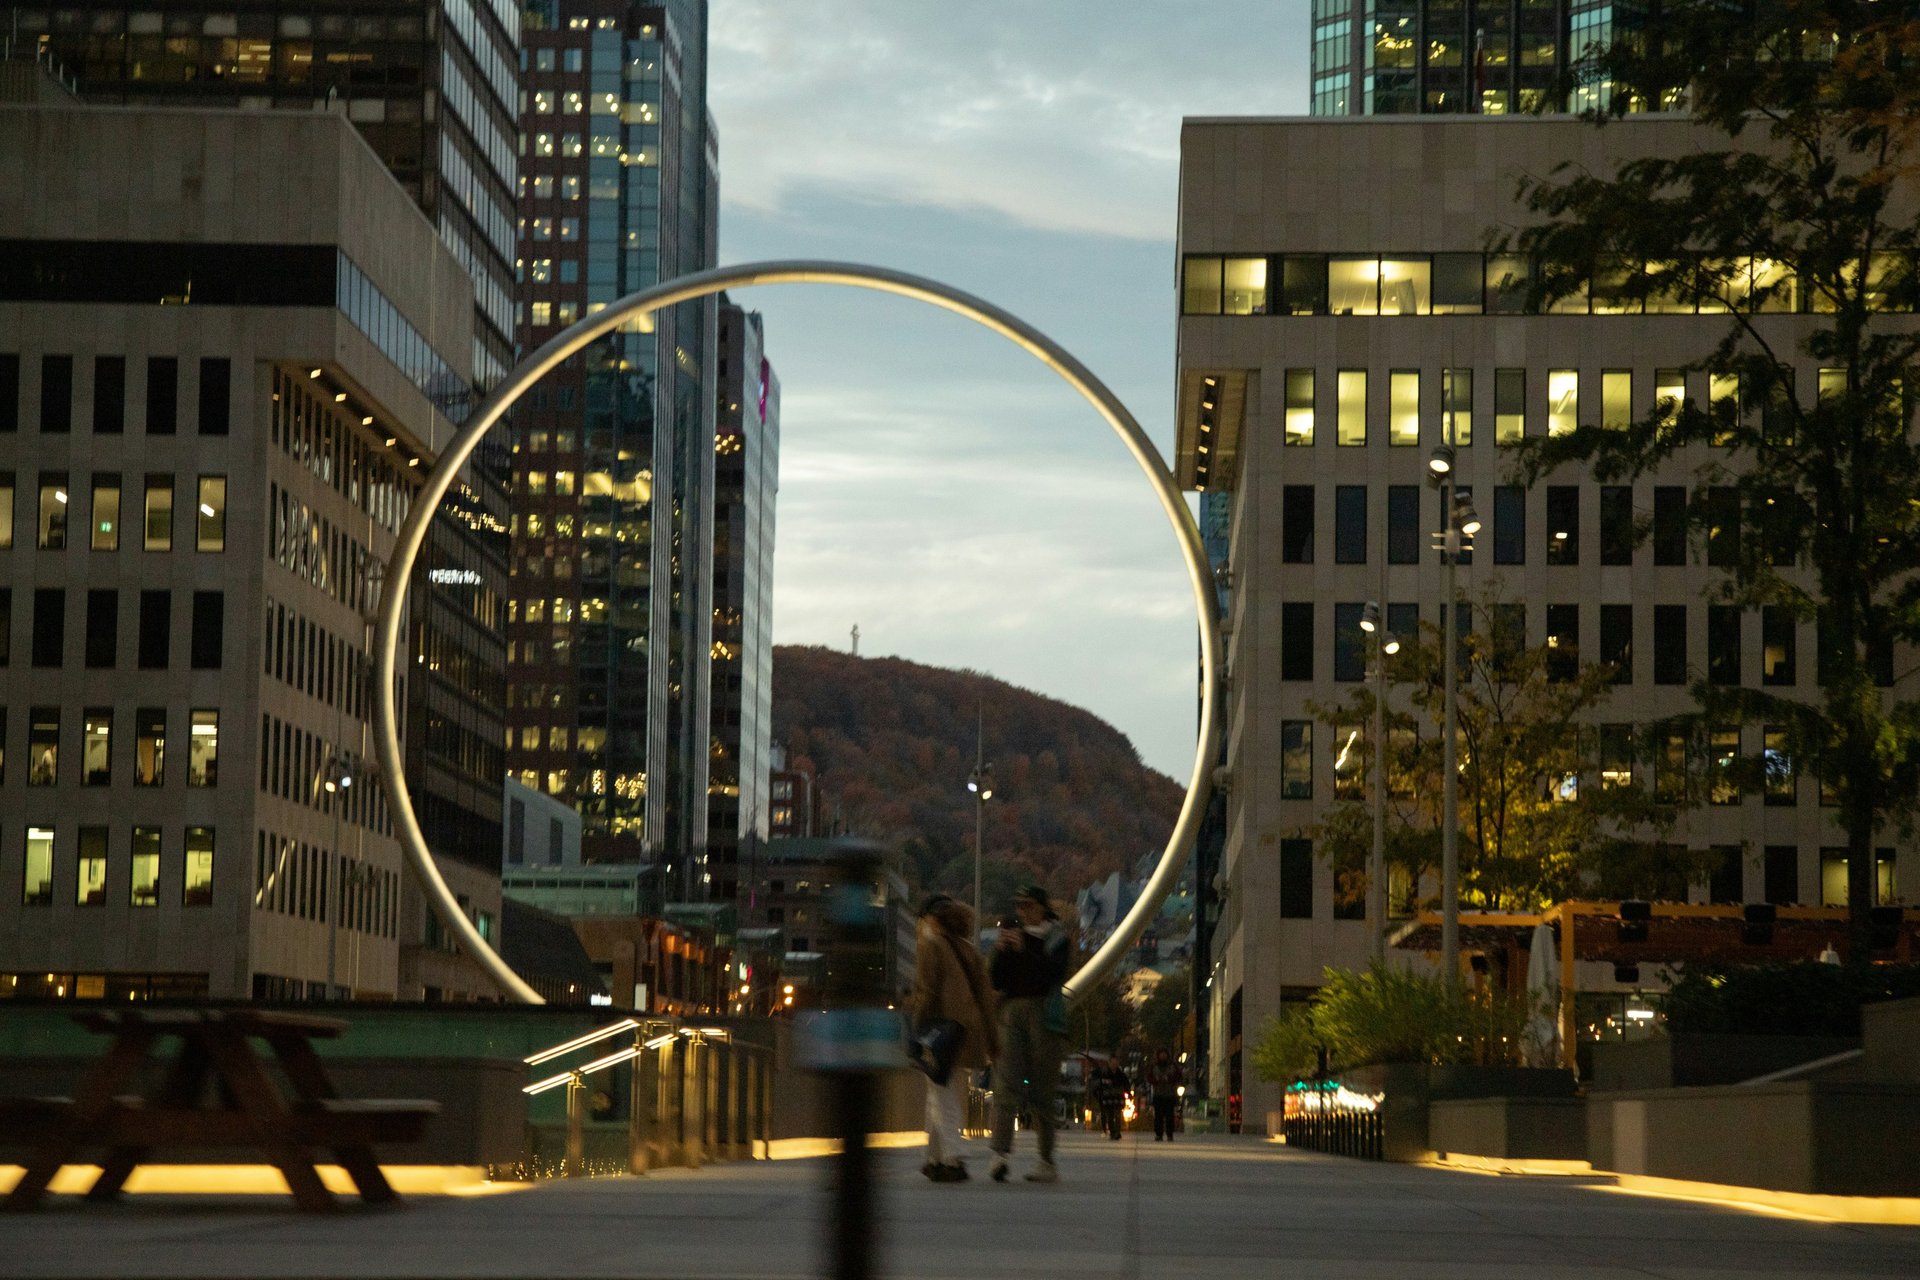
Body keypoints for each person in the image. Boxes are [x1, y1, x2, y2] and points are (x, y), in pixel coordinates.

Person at [910, 894, 996, 1182]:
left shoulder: (931, 945)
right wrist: (993, 1041)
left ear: (930, 919)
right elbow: (986, 998)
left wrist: (916, 1027)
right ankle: (932, 1158)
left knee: (941, 1097)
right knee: (940, 1093)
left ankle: (954, 1158)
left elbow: (927, 991)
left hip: (941, 1033)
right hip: (967, 1034)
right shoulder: (969, 950)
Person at [988, 884, 1070, 1183]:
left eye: (1027, 905)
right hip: (1011, 1011)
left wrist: (1025, 950)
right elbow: (997, 979)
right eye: (1019, 906)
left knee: (1042, 1090)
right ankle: (999, 1153)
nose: (1022, 911)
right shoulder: (1013, 936)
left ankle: (1045, 1160)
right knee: (1005, 1082)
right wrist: (999, 952)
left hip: (1044, 1014)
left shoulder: (1057, 938)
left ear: (1042, 907)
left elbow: (1052, 975)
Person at [1145, 1047, 1184, 1141]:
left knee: (1170, 1116)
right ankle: (1159, 1134)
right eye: (1161, 1054)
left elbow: (1179, 1076)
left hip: (1170, 1095)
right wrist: (1156, 1081)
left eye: (1164, 1054)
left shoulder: (1172, 1066)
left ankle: (1170, 1134)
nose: (1163, 1056)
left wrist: (1169, 1079)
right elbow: (1149, 1078)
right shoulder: (1154, 1066)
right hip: (1158, 1094)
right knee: (1158, 1116)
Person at [1093, 1059, 1130, 1140]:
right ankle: (1112, 1131)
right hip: (1108, 1097)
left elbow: (1126, 1084)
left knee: (1117, 1115)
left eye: (1116, 1063)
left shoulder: (1121, 1075)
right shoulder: (1104, 1074)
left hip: (1118, 1097)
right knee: (1110, 1115)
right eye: (1112, 1063)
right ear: (1109, 1064)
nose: (1114, 1065)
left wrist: (1128, 1093)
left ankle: (1117, 1131)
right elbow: (1099, 1084)